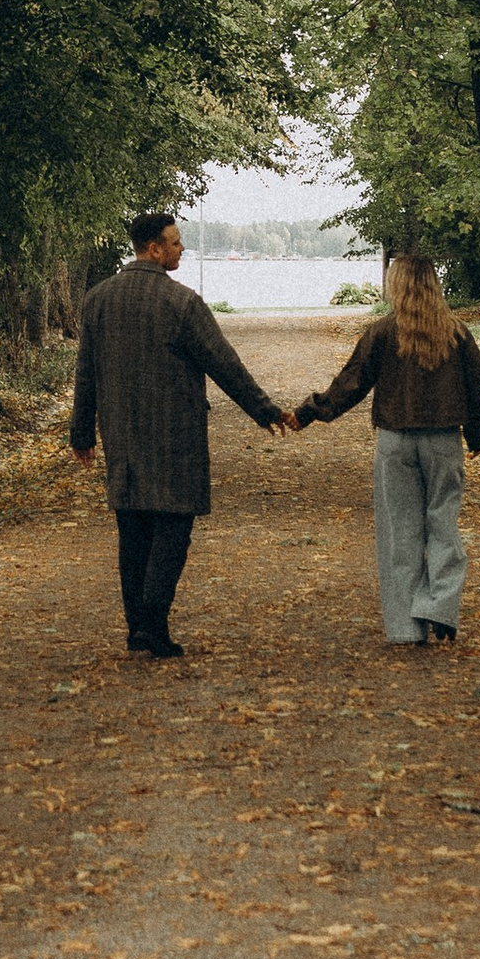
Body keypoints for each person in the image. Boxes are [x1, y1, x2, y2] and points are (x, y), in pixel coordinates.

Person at [70, 211, 297, 659]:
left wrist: (82, 432)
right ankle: (153, 624)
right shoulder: (182, 304)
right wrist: (264, 410)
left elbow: (86, 373)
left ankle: (139, 628)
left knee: (132, 531)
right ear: (153, 249)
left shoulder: (97, 300)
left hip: (122, 436)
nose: (181, 249)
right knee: (173, 530)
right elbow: (224, 364)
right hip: (175, 435)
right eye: (174, 243)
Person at [295, 249, 480, 647]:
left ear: (398, 286)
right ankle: (439, 607)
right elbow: (479, 391)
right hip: (443, 440)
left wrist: (309, 413)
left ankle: (406, 627)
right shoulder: (456, 332)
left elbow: (351, 382)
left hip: (396, 442)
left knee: (399, 533)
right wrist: (478, 435)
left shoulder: (384, 333)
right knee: (443, 526)